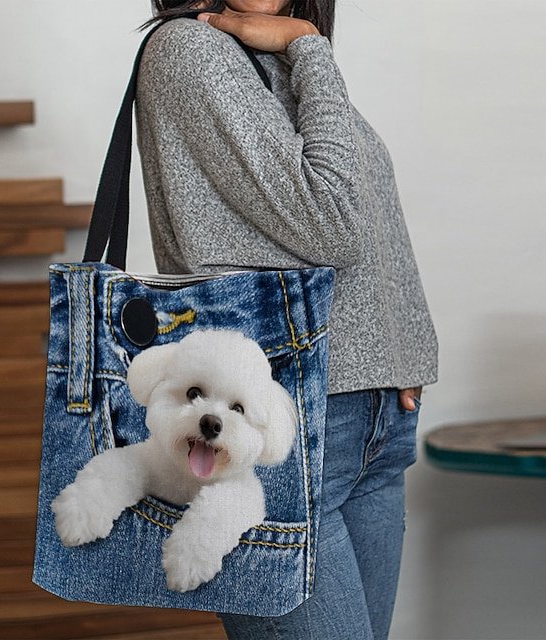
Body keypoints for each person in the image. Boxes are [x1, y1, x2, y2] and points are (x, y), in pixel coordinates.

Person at [134, 1, 439, 638]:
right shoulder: (191, 50)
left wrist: (398, 356)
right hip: (279, 427)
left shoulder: (272, 54)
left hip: (371, 422)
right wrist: (309, 43)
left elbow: (371, 212)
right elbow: (335, 222)